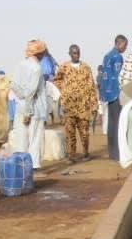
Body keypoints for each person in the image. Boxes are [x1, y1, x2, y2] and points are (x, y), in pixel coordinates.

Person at [54, 44, 98, 163]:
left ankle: (85, 153)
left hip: (83, 106)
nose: (76, 55)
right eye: (74, 53)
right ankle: (71, 155)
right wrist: (64, 91)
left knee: (84, 132)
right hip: (69, 106)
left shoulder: (86, 68)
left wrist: (94, 104)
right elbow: (57, 80)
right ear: (69, 53)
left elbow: (92, 86)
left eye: (78, 52)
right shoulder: (64, 67)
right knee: (70, 132)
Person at [11, 39, 48, 170]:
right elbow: (31, 92)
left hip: (21, 106)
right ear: (39, 53)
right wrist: (28, 111)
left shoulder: (20, 65)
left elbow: (14, 85)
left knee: (21, 137)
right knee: (35, 138)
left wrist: (22, 97)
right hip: (34, 108)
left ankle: (20, 166)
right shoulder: (37, 68)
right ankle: (33, 166)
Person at [101, 34, 128, 160]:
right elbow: (119, 76)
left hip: (108, 93)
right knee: (118, 124)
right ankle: (117, 153)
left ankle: (112, 152)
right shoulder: (118, 57)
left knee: (111, 124)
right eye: (125, 46)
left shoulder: (107, 55)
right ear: (120, 43)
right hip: (116, 93)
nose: (125, 48)